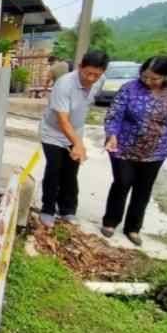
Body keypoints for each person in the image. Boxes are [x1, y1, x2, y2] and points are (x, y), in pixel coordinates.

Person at [101, 56, 167, 246]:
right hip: (123, 146)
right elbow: (114, 115)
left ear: (166, 76)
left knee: (143, 189)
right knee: (122, 182)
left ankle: (133, 228)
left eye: (154, 78)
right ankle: (110, 221)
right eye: (145, 77)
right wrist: (112, 135)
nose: (148, 81)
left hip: (156, 150)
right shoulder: (129, 88)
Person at [38, 50, 109, 227]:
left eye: (96, 74)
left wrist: (77, 140)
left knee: (71, 171)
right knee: (54, 170)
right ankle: (48, 209)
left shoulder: (100, 80)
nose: (92, 78)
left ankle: (67, 209)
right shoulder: (64, 84)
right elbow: (62, 120)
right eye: (88, 73)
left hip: (76, 129)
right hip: (53, 132)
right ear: (79, 68)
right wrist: (78, 144)